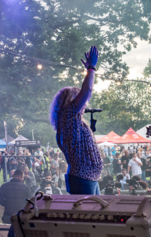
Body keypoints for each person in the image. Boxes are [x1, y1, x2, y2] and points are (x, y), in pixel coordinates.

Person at [50, 46, 102, 195]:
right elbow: (87, 91)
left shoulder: (71, 121)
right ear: (71, 101)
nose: (85, 103)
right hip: (82, 177)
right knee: (89, 216)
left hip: (88, 177)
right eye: (79, 99)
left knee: (97, 214)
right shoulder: (68, 116)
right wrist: (91, 69)